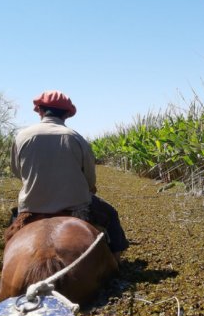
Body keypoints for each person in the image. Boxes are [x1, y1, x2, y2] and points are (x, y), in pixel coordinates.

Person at [7, 90, 128, 261]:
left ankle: (6, 260)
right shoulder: (75, 138)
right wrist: (89, 188)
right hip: (74, 205)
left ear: (40, 111)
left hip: (32, 205)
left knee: (12, 227)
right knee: (111, 214)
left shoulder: (22, 136)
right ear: (66, 115)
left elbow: (16, 171)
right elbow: (89, 177)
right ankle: (117, 258)